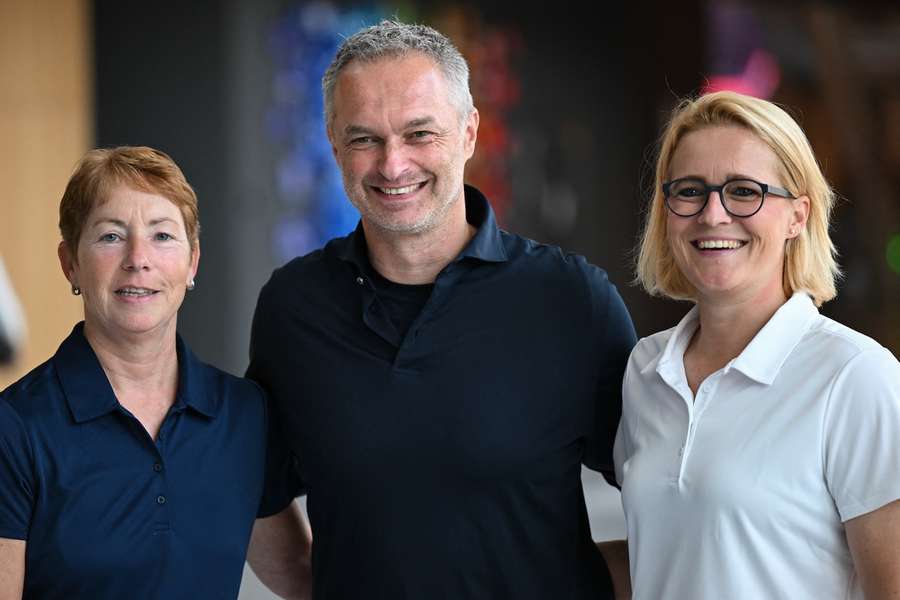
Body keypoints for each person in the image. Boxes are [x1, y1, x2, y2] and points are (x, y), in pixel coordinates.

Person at [245, 19, 637, 600]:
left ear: (469, 132)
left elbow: (672, 498)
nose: (393, 165)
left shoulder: (572, 301)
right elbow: (261, 493)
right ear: (333, 141)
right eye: (364, 139)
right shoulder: (293, 307)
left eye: (419, 134)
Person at [616, 90, 900, 599]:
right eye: (690, 191)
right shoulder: (645, 370)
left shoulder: (855, 376)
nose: (713, 214)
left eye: (744, 191)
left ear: (798, 216)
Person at [0, 147, 268, 599]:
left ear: (192, 262)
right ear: (71, 263)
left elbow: (298, 568)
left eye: (163, 236)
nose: (138, 258)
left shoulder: (243, 413)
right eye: (110, 236)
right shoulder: (14, 427)